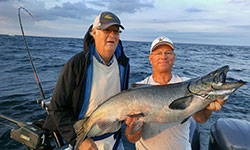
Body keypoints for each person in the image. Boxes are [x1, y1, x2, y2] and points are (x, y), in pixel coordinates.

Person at [42, 12, 130, 150]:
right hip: (84, 143)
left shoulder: (124, 65)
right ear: (94, 32)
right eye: (107, 30)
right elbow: (57, 107)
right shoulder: (77, 64)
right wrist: (78, 139)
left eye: (116, 31)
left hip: (115, 141)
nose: (112, 35)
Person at [125, 36, 227, 150]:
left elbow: (200, 119)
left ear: (174, 57)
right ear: (150, 58)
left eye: (168, 53)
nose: (163, 57)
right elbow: (132, 139)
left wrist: (208, 108)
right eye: (158, 53)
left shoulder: (185, 83)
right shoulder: (138, 90)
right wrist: (134, 125)